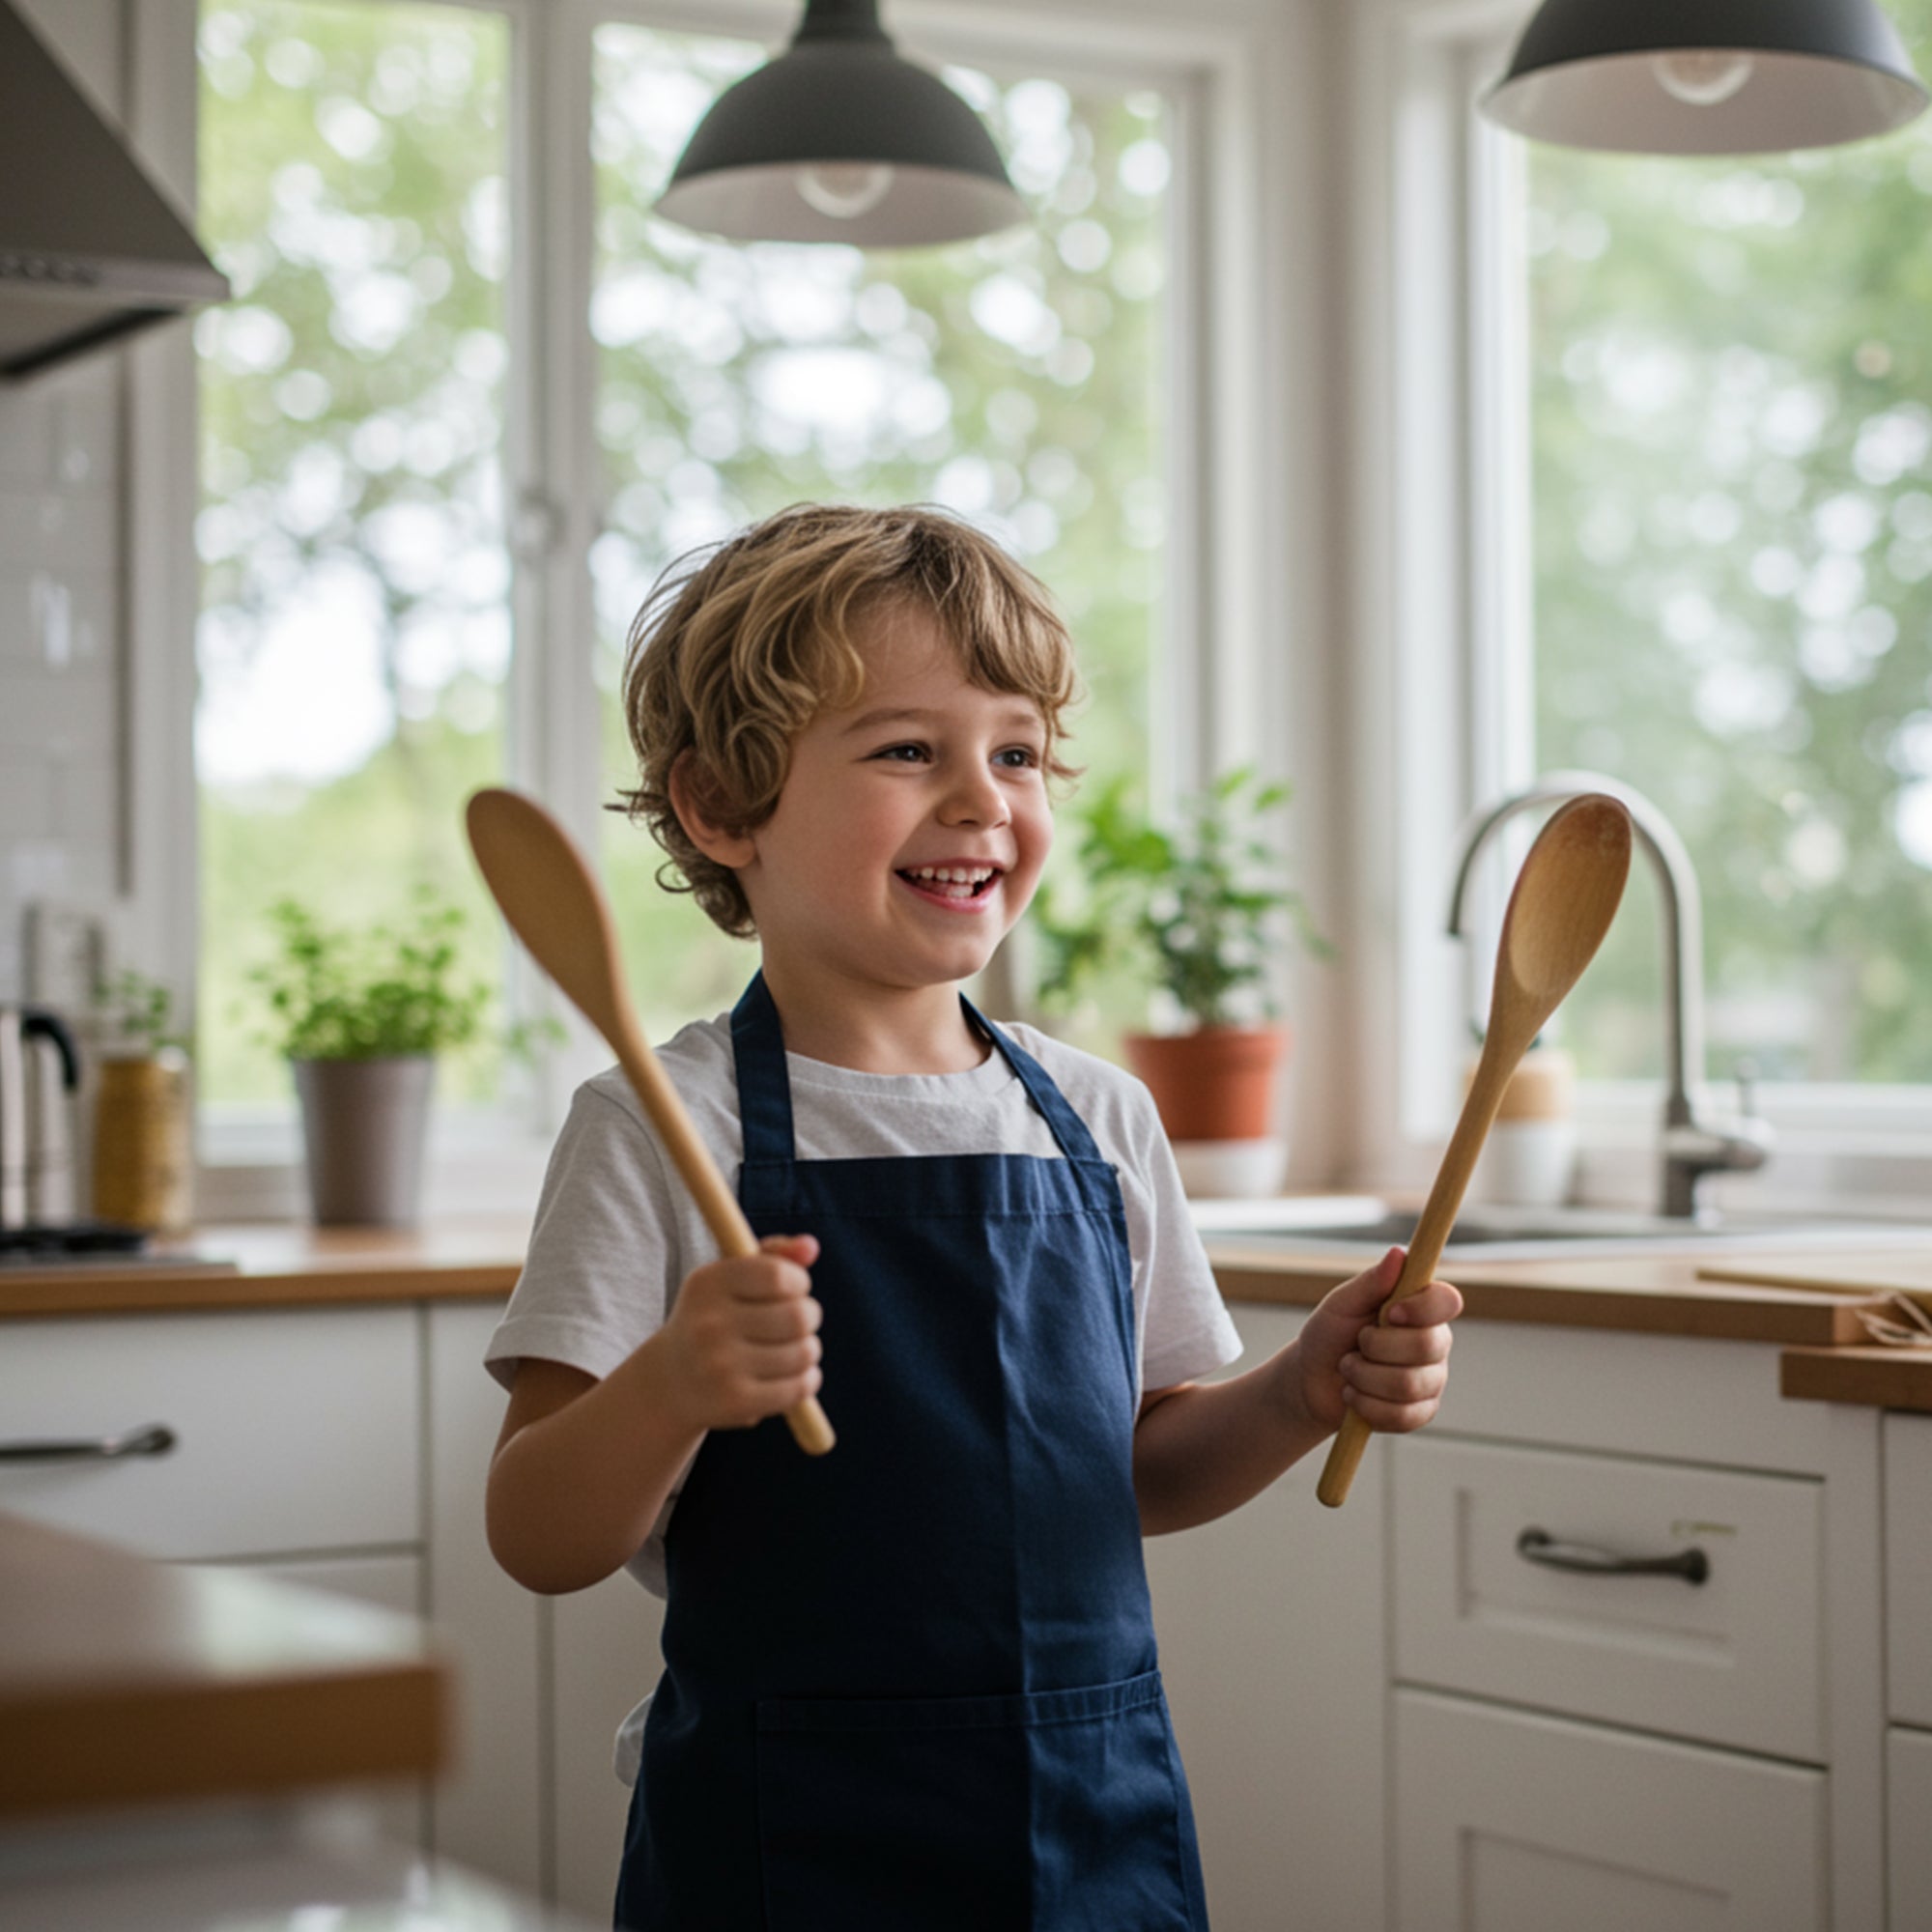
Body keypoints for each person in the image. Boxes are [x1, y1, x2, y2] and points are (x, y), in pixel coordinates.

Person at [482, 502, 1463, 1931]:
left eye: (1015, 751)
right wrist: (675, 1384)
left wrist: (1300, 1393)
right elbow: (536, 1533)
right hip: (786, 1849)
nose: (981, 798)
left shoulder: (1101, 1117)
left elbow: (1134, 1474)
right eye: (905, 750)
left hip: (1094, 1825)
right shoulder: (661, 1126)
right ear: (721, 806)